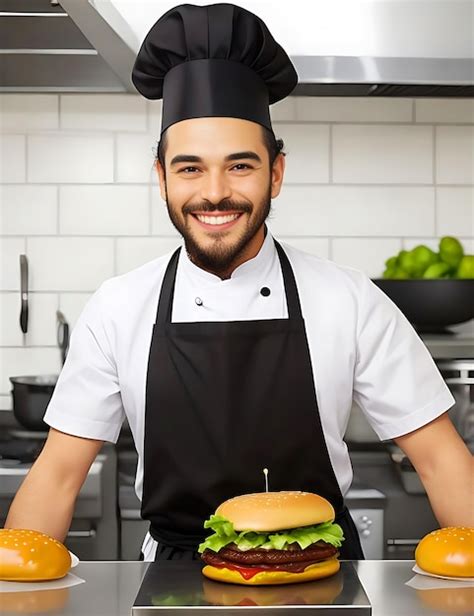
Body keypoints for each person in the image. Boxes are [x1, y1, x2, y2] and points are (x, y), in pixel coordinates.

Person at [5, 3, 473, 562]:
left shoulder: (349, 300)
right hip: (173, 582)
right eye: (190, 167)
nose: (215, 191)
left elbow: (442, 459)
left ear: (276, 172)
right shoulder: (119, 306)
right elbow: (58, 473)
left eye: (241, 165)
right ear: (162, 178)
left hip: (326, 578)